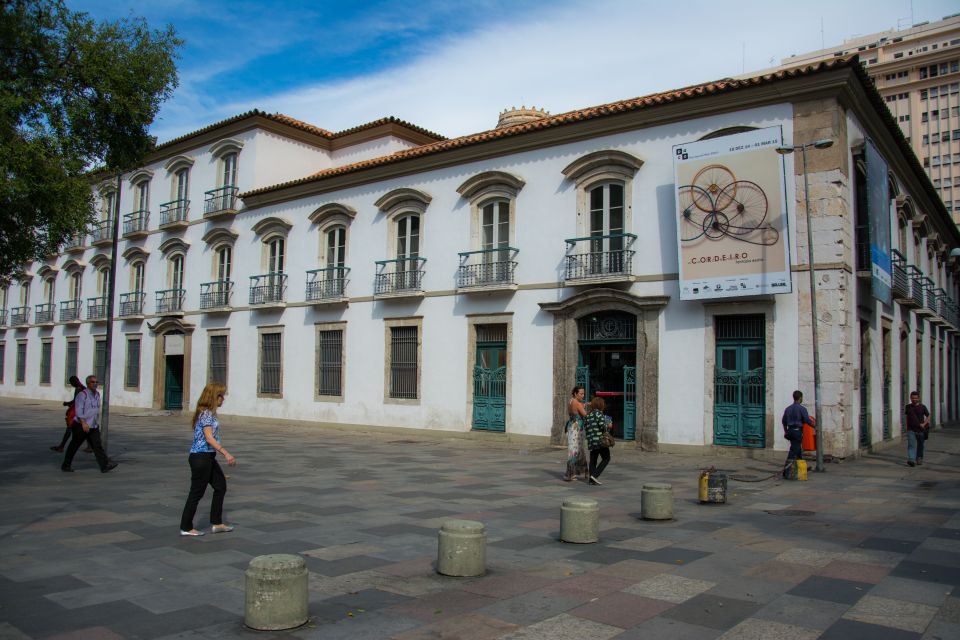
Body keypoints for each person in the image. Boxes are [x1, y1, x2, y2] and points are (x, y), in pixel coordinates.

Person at [179, 383, 236, 537]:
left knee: (220, 486)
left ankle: (217, 523)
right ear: (213, 397)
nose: (222, 399)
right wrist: (226, 453)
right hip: (200, 457)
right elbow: (209, 438)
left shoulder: (208, 414)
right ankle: (186, 526)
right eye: (220, 396)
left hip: (208, 457)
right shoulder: (205, 414)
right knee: (196, 493)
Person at [61, 375, 117, 473]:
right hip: (81, 425)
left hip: (93, 426)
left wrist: (95, 423)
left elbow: (94, 410)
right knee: (74, 445)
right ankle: (66, 465)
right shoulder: (82, 395)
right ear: (88, 383)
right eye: (92, 382)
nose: (95, 384)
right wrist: (83, 423)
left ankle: (104, 466)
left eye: (96, 382)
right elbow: (79, 410)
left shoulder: (97, 394)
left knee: (97, 446)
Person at [781, 390, 812, 477]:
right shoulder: (802, 409)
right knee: (793, 451)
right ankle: (786, 471)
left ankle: (802, 470)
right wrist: (815, 426)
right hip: (797, 431)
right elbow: (807, 420)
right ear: (800, 398)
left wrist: (786, 432)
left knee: (798, 450)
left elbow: (784, 422)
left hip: (790, 431)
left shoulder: (788, 409)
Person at [50, 375, 85, 452]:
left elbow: (76, 401)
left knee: (69, 429)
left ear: (74, 382)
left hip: (76, 412)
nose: (72, 385)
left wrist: (67, 403)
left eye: (72, 383)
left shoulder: (79, 389)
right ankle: (90, 446)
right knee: (85, 429)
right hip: (82, 411)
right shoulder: (83, 388)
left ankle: (61, 447)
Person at [583, 396, 612, 486]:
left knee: (593, 459)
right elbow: (603, 427)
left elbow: (586, 427)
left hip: (591, 441)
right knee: (606, 458)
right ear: (601, 405)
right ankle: (594, 475)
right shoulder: (599, 414)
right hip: (600, 441)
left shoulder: (588, 415)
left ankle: (591, 479)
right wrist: (609, 425)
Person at [563, 385, 589, 482]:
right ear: (575, 393)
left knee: (576, 449)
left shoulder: (571, 401)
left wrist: (586, 404)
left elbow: (578, 407)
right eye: (581, 394)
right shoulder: (577, 403)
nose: (583, 395)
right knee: (575, 450)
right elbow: (585, 414)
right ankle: (570, 474)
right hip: (577, 429)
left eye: (583, 393)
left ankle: (577, 472)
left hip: (571, 425)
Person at [904, 390, 930, 467]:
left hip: (920, 429)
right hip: (910, 429)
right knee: (911, 445)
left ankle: (919, 457)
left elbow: (928, 416)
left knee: (920, 445)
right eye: (912, 398)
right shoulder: (908, 407)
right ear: (910, 398)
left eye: (915, 398)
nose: (914, 399)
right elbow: (906, 417)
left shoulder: (923, 407)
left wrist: (924, 424)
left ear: (918, 398)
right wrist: (906, 426)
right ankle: (911, 459)